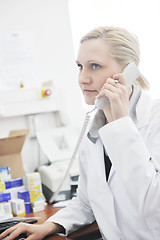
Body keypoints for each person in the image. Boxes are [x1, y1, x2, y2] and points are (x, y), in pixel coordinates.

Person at [1, 26, 160, 240]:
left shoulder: (154, 119)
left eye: (94, 66)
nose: (83, 78)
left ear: (128, 71)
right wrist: (50, 225)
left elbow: (152, 205)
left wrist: (120, 123)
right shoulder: (95, 129)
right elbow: (86, 202)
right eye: (79, 66)